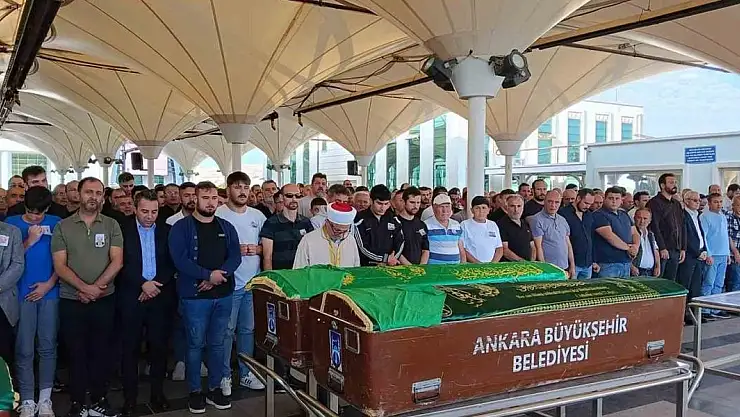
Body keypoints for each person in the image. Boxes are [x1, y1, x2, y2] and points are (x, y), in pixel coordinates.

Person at [51, 177, 123, 417]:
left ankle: (99, 398)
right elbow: (60, 266)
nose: (93, 197)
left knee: (101, 351)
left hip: (104, 299)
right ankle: (78, 401)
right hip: (72, 300)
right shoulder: (63, 226)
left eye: (98, 193)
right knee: (76, 353)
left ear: (103, 196)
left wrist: (95, 289)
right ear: (79, 194)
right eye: (88, 192)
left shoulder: (111, 224)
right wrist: (83, 288)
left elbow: (117, 261)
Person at [169, 181, 241, 414]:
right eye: (205, 198)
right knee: (195, 344)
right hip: (195, 297)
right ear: (195, 199)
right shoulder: (181, 228)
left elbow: (235, 256)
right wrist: (206, 275)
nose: (210, 203)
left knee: (218, 344)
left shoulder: (226, 227)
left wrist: (218, 276)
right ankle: (195, 391)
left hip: (223, 294)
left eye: (213, 198)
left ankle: (214, 388)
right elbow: (180, 259)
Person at [118, 191, 175, 415]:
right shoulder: (122, 230)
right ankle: (130, 398)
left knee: (159, 348)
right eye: (144, 211)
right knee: (129, 349)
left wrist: (154, 285)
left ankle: (157, 393)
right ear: (134, 209)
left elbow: (172, 262)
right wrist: (142, 284)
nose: (149, 216)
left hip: (160, 296)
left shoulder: (167, 231)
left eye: (154, 211)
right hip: (131, 296)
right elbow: (120, 263)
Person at [6, 188, 60, 417]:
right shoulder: (11, 224)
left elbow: (63, 260)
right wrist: (29, 241)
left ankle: (45, 398)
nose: (35, 217)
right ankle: (27, 399)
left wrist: (49, 284)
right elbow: (7, 260)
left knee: (47, 346)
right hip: (21, 294)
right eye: (30, 211)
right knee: (24, 348)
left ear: (47, 209)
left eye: (39, 213)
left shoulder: (56, 223)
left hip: (49, 292)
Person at [215, 172, 266, 394]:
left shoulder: (258, 216)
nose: (242, 191)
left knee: (248, 330)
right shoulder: (219, 214)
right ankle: (224, 375)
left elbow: (266, 247)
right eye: (237, 187)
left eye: (246, 187)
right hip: (229, 284)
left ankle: (247, 372)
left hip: (251, 283)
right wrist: (235, 251)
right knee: (226, 331)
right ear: (228, 190)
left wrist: (257, 249)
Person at [261, 184, 314, 271]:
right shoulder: (270, 223)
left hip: (302, 273)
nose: (294, 199)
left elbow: (312, 251)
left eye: (297, 196)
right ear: (281, 197)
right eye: (289, 196)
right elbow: (267, 257)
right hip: (280, 275)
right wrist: (269, 277)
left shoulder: (306, 222)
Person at [294, 202, 361, 268]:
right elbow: (299, 270)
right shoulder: (308, 240)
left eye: (345, 231)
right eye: (337, 230)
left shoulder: (350, 240)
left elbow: (356, 268)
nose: (341, 235)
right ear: (327, 222)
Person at [592, 187, 639, 278]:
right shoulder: (598, 215)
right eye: (610, 198)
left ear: (621, 200)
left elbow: (635, 233)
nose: (614, 201)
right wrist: (628, 248)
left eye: (617, 198)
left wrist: (636, 247)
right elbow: (609, 236)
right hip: (608, 263)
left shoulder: (624, 214)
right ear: (605, 199)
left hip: (626, 262)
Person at [647, 173, 686, 281]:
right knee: (659, 281)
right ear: (662, 185)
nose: (674, 185)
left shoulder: (676, 204)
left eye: (675, 182)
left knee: (671, 282)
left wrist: (683, 248)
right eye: (671, 182)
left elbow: (682, 226)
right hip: (663, 249)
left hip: (676, 248)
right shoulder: (654, 203)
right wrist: (662, 247)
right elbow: (655, 227)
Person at [353, 185, 404, 266]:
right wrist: (384, 258)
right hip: (367, 267)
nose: (383, 208)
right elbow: (362, 247)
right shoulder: (360, 220)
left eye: (386, 204)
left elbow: (400, 241)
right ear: (371, 201)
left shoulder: (393, 218)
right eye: (379, 203)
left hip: (390, 265)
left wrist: (392, 258)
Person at [699, 193, 731, 318]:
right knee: (709, 282)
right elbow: (704, 237)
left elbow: (725, 236)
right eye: (716, 202)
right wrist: (708, 254)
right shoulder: (705, 216)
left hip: (723, 254)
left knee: (719, 283)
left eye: (720, 202)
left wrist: (727, 253)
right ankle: (705, 309)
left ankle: (716, 308)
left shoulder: (723, 216)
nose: (719, 204)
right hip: (713, 254)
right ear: (709, 203)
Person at [680, 190, 710, 322]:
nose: (698, 203)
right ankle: (684, 314)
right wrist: (697, 253)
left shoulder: (697, 215)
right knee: (686, 285)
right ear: (686, 201)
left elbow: (700, 235)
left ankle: (695, 314)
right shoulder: (683, 215)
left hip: (700, 254)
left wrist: (704, 250)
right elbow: (686, 238)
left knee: (696, 286)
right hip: (689, 256)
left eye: (699, 200)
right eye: (695, 200)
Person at [530, 191, 574, 277]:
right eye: (550, 201)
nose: (553, 205)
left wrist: (572, 265)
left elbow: (568, 244)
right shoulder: (537, 219)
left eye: (557, 202)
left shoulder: (562, 219)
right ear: (544, 201)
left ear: (560, 203)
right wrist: (545, 270)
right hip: (549, 270)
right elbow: (538, 247)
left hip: (565, 267)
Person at [559, 188, 597, 280]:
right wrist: (570, 264)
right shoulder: (563, 213)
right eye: (586, 203)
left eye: (590, 204)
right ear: (578, 198)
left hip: (587, 263)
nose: (588, 206)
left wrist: (594, 260)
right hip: (571, 262)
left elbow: (591, 238)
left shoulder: (588, 214)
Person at [425, 194, 465, 264]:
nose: (445, 210)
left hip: (455, 268)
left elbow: (461, 250)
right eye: (441, 207)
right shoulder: (426, 225)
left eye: (447, 206)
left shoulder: (456, 224)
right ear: (434, 208)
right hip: (434, 268)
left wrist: (462, 266)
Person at [460, 196, 502, 263]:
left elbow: (499, 248)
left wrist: (493, 264)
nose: (481, 211)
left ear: (489, 210)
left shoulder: (493, 224)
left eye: (483, 208)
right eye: (477, 208)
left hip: (491, 266)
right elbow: (462, 249)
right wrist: (478, 264)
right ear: (472, 210)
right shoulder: (464, 225)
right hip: (472, 266)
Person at [396, 187, 429, 265]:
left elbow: (425, 249)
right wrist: (410, 267)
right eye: (412, 202)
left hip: (419, 268)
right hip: (400, 268)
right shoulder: (395, 223)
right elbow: (395, 250)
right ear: (404, 202)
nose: (415, 206)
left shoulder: (421, 224)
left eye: (418, 202)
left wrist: (421, 266)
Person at [497, 194, 535, 262]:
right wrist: (522, 261)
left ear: (523, 207)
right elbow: (504, 250)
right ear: (507, 207)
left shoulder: (525, 223)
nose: (516, 210)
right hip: (510, 265)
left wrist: (531, 262)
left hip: (528, 265)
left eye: (519, 206)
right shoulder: (501, 224)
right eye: (512, 206)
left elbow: (532, 245)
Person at [631, 208, 660, 278]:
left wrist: (658, 266)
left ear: (650, 220)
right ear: (634, 218)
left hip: (650, 272)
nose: (642, 221)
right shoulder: (630, 233)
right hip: (636, 271)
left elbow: (656, 251)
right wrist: (631, 267)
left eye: (645, 218)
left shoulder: (651, 234)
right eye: (639, 218)